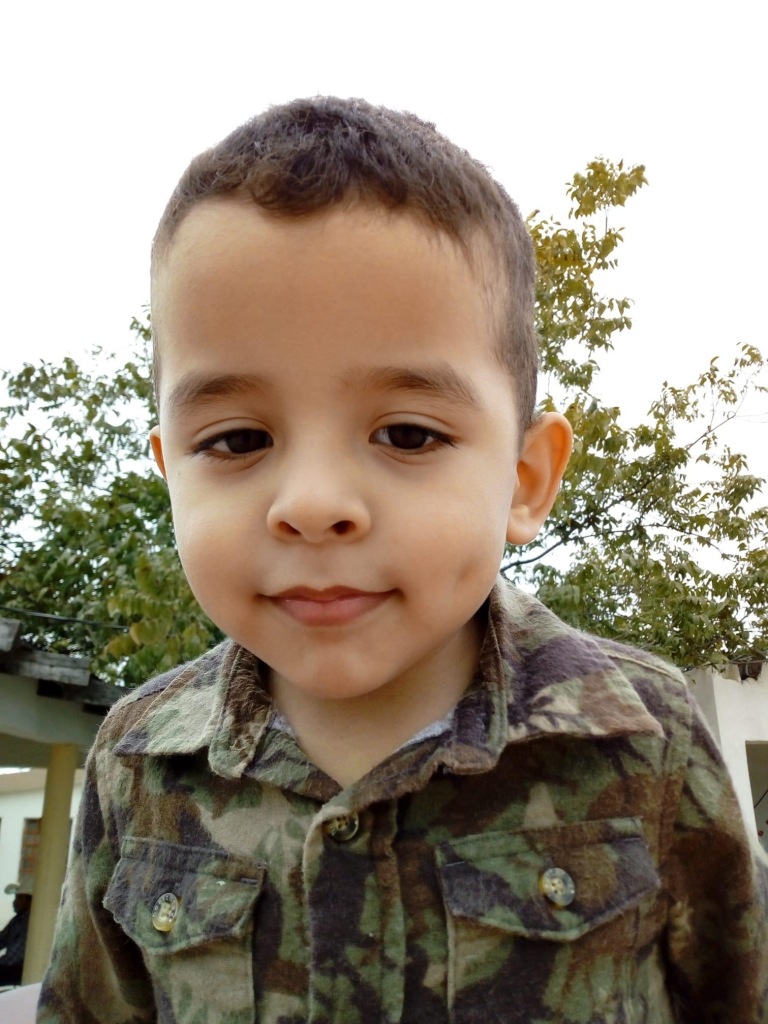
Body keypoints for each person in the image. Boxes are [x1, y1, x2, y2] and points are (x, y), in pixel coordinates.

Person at [38, 98, 768, 1024]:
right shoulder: (136, 764)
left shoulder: (643, 738)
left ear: (524, 480)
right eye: (236, 440)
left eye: (409, 433)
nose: (312, 504)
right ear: (170, 471)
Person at [0, 882, 32, 987]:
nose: (15, 902)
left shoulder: (29, 920)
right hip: (12, 966)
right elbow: (2, 939)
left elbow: (13, 956)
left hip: (19, 969)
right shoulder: (17, 919)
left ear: (29, 901)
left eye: (19, 898)